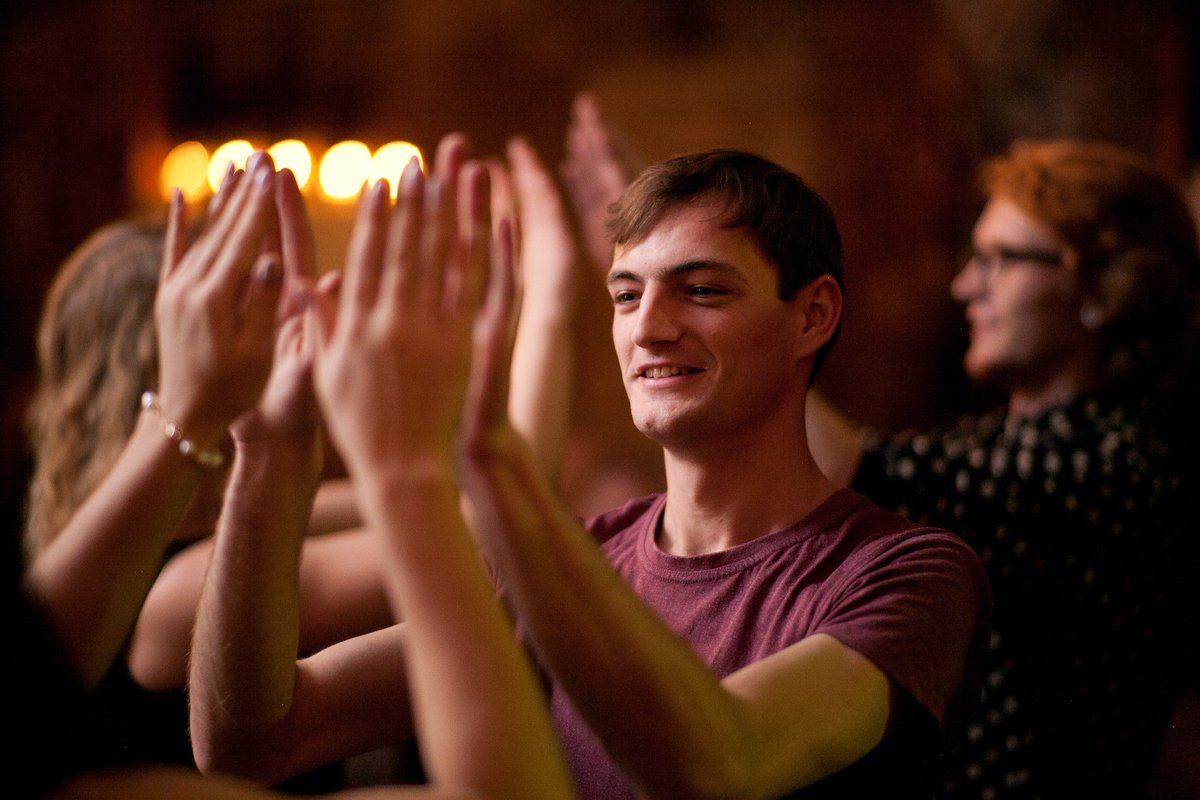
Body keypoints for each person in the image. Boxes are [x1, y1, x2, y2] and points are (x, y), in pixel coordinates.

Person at [189, 142, 992, 798]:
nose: (649, 328)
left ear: (812, 315)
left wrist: (478, 446)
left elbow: (722, 763)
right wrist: (267, 450)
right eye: (625, 294)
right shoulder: (583, 558)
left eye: (702, 289)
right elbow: (258, 740)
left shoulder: (907, 573)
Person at [16, 149, 574, 800]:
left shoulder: (107, 540)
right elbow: (495, 527)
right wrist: (544, 301)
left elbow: (456, 500)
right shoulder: (176, 586)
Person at [806, 139, 1200, 798]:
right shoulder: (1007, 441)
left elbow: (855, 474)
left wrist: (735, 321)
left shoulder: (1116, 468)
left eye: (1001, 260)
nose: (965, 286)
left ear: (1103, 290)